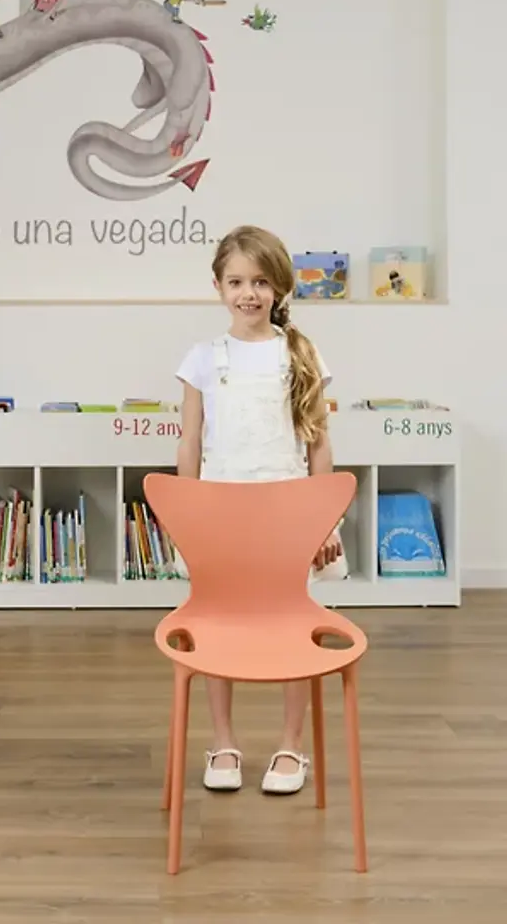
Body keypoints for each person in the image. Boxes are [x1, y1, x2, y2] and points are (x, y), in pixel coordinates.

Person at [174, 225, 343, 797]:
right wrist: (187, 516)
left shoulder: (300, 354)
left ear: (280, 287)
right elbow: (189, 443)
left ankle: (292, 744)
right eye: (237, 282)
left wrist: (324, 520)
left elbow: (318, 444)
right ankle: (223, 741)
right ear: (218, 287)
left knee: (293, 626)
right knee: (217, 625)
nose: (249, 293)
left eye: (261, 282)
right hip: (220, 516)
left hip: (289, 517)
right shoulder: (203, 358)